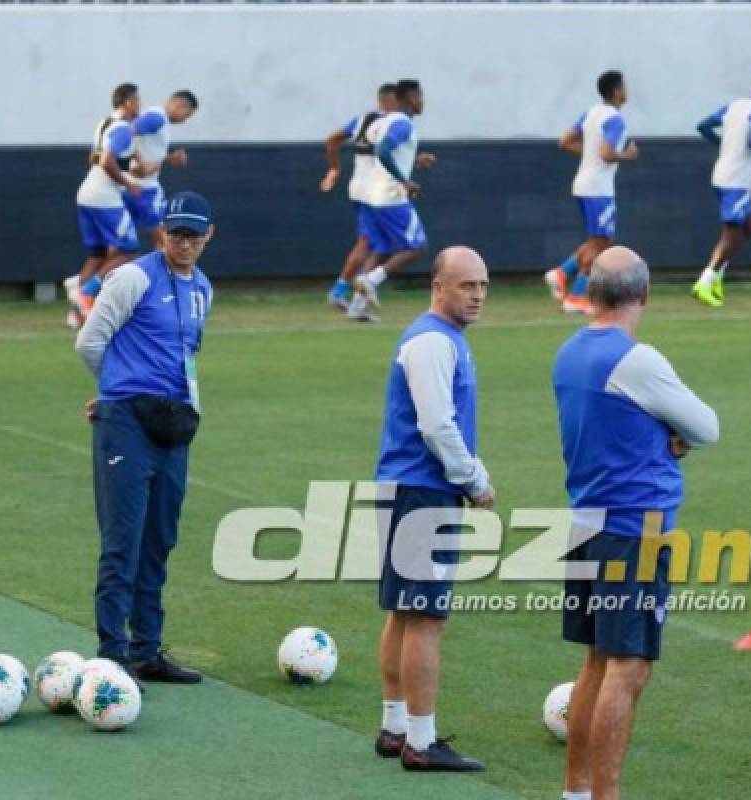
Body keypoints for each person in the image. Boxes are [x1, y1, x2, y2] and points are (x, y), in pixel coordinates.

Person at [553, 246, 719, 800]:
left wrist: (661, 435)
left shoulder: (568, 353)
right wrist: (675, 438)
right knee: (628, 669)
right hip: (635, 529)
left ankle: (575, 793)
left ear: (593, 292)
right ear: (643, 295)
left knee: (596, 662)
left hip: (586, 521)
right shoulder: (638, 360)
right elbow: (706, 426)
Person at [74, 190, 215, 685]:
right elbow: (89, 340)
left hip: (174, 425)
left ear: (208, 236)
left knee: (160, 539)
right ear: (162, 233)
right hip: (127, 421)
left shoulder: (203, 288)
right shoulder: (133, 277)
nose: (185, 242)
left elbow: (187, 355)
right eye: (176, 233)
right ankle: (112, 655)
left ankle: (147, 649)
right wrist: (114, 392)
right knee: (122, 541)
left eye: (194, 234)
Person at [373, 246, 493, 771]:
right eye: (466, 285)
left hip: (409, 490)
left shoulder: (441, 339)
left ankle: (395, 727)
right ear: (438, 287)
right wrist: (474, 479)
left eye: (483, 286)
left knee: (404, 610)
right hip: (422, 491)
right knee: (425, 616)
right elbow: (436, 425)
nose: (477, 296)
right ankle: (421, 741)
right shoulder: (432, 341)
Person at [545, 70, 638, 314]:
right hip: (599, 188)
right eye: (625, 86)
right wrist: (626, 156)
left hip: (584, 183)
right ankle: (576, 296)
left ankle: (562, 273)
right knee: (602, 246)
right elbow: (607, 154)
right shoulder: (615, 119)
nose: (627, 90)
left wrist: (589, 154)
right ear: (617, 91)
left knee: (599, 241)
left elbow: (565, 141)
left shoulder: (592, 113)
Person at [347, 79, 435, 323]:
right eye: (420, 96)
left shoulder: (381, 122)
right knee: (417, 246)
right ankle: (370, 280)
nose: (422, 102)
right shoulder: (403, 124)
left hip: (371, 195)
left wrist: (413, 161)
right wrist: (403, 180)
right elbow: (383, 151)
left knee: (381, 248)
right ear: (410, 98)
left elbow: (382, 151)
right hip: (391, 196)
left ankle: (357, 306)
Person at [693, 75, 751, 308]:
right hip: (736, 180)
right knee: (731, 236)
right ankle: (705, 281)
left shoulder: (734, 106)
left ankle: (717, 277)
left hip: (722, 174)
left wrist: (722, 144)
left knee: (748, 228)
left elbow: (703, 126)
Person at [66, 83, 144, 329]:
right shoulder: (123, 129)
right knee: (128, 251)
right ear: (129, 103)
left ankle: (77, 313)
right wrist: (127, 183)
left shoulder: (104, 124)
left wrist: (128, 165)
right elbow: (108, 161)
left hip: (86, 192)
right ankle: (86, 292)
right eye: (138, 101)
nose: (140, 106)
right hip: (104, 197)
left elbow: (94, 157)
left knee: (98, 254)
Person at [321, 83, 399, 310]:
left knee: (370, 242)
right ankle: (355, 295)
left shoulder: (363, 120)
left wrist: (334, 169)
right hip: (378, 189)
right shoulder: (391, 124)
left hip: (359, 187)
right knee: (384, 244)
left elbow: (333, 139)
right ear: (391, 101)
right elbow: (387, 154)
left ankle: (346, 292)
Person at [126, 90, 200, 252]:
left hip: (136, 185)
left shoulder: (159, 121)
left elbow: (145, 149)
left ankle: (84, 278)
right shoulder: (157, 118)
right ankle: (164, 275)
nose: (184, 120)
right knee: (166, 235)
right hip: (144, 187)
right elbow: (126, 133)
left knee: (125, 248)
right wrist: (134, 163)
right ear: (179, 105)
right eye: (186, 115)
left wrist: (169, 158)